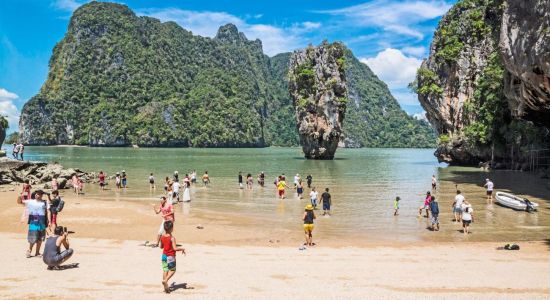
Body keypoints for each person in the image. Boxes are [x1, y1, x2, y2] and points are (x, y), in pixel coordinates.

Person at [17, 190, 50, 258]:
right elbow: (19, 202)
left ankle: (37, 253)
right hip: (33, 222)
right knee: (32, 237)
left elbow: (48, 211)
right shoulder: (30, 201)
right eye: (36, 194)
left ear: (41, 195)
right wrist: (20, 196)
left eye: (39, 194)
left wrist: (48, 220)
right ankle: (29, 250)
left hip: (42, 222)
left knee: (40, 238)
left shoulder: (45, 202)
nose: (37, 195)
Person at [159, 220, 186, 293]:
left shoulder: (162, 237)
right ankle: (166, 280)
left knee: (165, 270)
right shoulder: (172, 238)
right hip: (170, 256)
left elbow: (161, 247)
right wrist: (182, 248)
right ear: (171, 229)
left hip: (164, 256)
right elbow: (175, 248)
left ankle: (166, 287)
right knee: (173, 270)